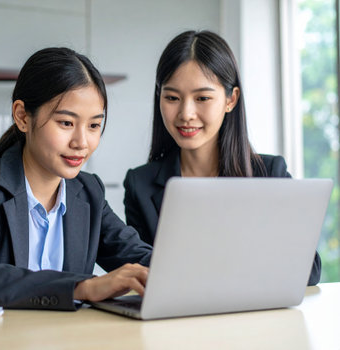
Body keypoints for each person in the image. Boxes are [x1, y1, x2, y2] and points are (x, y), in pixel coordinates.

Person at [0, 47, 151, 310]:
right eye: (66, 123)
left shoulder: (88, 191)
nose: (81, 142)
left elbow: (140, 258)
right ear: (22, 116)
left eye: (94, 125)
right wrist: (82, 288)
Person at [123, 30, 321, 286]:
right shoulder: (140, 184)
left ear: (231, 99)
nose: (186, 113)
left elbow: (309, 271)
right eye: (172, 98)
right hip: (176, 322)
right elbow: (144, 275)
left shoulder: (270, 173)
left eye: (202, 98)